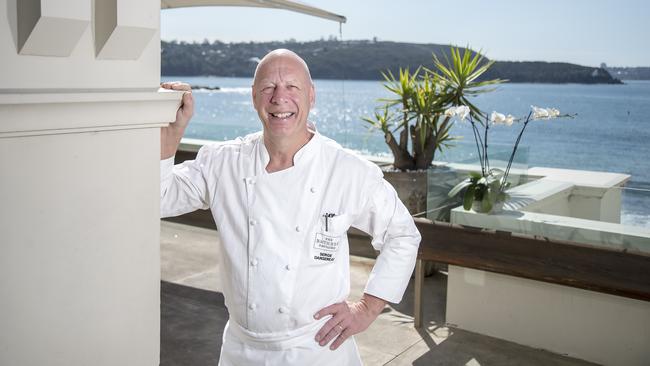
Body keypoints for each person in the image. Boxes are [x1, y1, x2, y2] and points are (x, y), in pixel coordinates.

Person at [160, 49, 421, 365]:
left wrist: (367, 309)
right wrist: (169, 137)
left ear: (311, 96)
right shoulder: (223, 162)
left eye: (292, 87)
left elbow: (403, 235)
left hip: (315, 348)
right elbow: (161, 199)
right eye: (268, 87)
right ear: (255, 97)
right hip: (241, 350)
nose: (279, 97)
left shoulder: (347, 170)